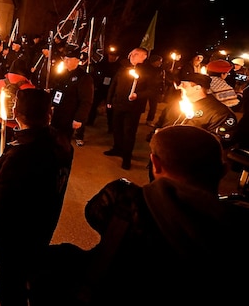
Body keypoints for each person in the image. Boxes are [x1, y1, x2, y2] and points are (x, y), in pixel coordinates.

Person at [47, 125, 246, 304]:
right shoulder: (237, 219)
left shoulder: (124, 199)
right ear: (224, 170)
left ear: (155, 164)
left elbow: (92, 214)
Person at [0, 88, 74, 305]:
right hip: (43, 226)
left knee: (10, 287)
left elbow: (4, 207)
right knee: (29, 273)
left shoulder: (21, 157)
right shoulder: (61, 143)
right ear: (49, 113)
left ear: (15, 112)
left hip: (15, 238)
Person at [150, 72, 237, 149]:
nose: (179, 87)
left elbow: (217, 143)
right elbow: (160, 123)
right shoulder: (176, 104)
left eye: (184, 85)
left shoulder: (219, 113)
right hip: (163, 156)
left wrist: (180, 141)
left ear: (197, 88)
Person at [104, 47, 150, 170]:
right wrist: (109, 100)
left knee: (129, 132)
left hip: (133, 108)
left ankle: (127, 157)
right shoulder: (123, 67)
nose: (133, 55)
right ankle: (117, 148)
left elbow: (152, 90)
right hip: (119, 104)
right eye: (133, 53)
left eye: (140, 55)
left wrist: (138, 95)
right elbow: (114, 84)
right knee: (117, 128)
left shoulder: (147, 70)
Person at [50, 47, 94, 145]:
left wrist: (79, 118)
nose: (65, 61)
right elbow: (58, 90)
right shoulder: (63, 74)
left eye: (69, 59)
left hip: (69, 114)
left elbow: (86, 100)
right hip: (57, 112)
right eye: (65, 59)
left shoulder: (84, 77)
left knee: (63, 141)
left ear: (77, 61)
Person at [0, 58, 35, 148]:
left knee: (1, 149)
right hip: (20, 125)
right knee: (17, 151)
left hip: (3, 122)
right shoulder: (30, 88)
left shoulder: (0, 83)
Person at [87, 49, 120, 132]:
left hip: (111, 89)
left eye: (114, 56)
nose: (112, 57)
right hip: (100, 88)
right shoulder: (101, 64)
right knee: (94, 105)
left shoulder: (118, 67)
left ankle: (111, 127)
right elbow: (95, 75)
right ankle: (90, 121)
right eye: (111, 55)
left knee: (110, 108)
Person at [143, 54, 164, 127]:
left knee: (153, 107)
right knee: (141, 105)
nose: (160, 63)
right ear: (153, 62)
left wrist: (162, 91)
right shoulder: (146, 68)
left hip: (155, 91)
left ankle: (149, 120)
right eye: (159, 61)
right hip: (145, 89)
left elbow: (162, 81)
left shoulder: (160, 70)